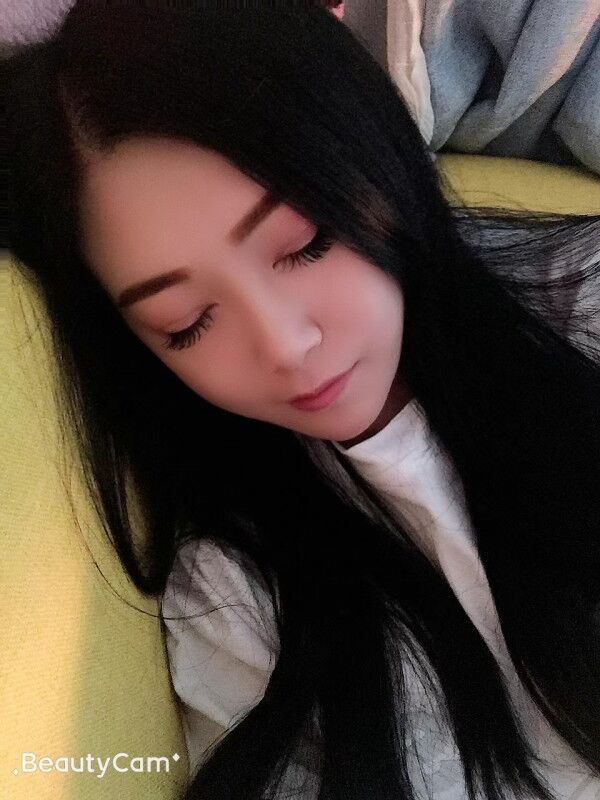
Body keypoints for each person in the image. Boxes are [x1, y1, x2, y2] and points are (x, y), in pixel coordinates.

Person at [4, 2, 600, 798]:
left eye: (305, 243)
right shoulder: (238, 604)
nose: (284, 345)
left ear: (373, 157)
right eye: (186, 323)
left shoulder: (583, 309)